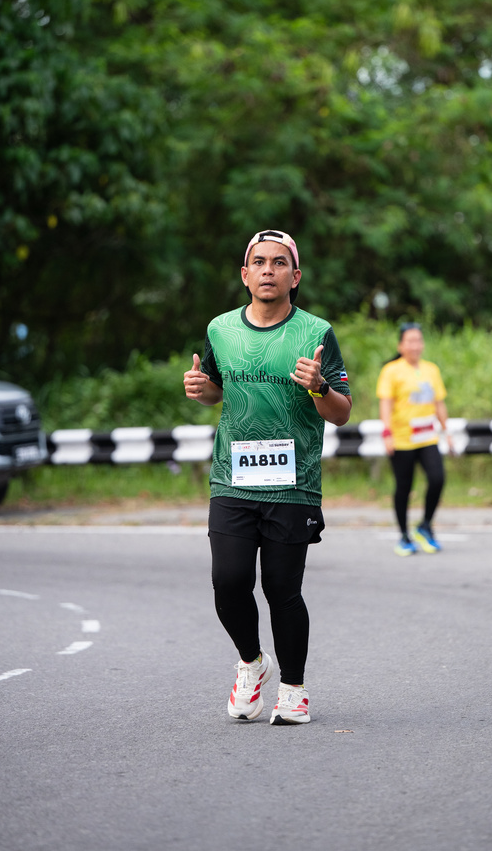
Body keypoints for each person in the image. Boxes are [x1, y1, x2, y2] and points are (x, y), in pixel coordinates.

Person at [183, 229, 351, 725]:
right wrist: (200, 388)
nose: (268, 270)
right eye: (259, 262)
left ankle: (294, 689)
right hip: (232, 480)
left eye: (279, 263)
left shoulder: (316, 332)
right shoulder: (220, 330)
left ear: (295, 277)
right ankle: (252, 662)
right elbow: (216, 390)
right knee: (228, 581)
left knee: (282, 589)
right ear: (245, 274)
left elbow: (341, 413)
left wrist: (320, 387)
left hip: (292, 484)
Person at [376, 323, 454, 557]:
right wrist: (387, 433)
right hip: (402, 439)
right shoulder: (391, 371)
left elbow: (439, 403)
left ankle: (425, 526)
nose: (415, 345)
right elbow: (386, 404)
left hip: (427, 437)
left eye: (418, 340)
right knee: (404, 487)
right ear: (400, 345)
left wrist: (447, 431)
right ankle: (404, 536)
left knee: (438, 479)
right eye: (410, 341)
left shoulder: (431, 369)